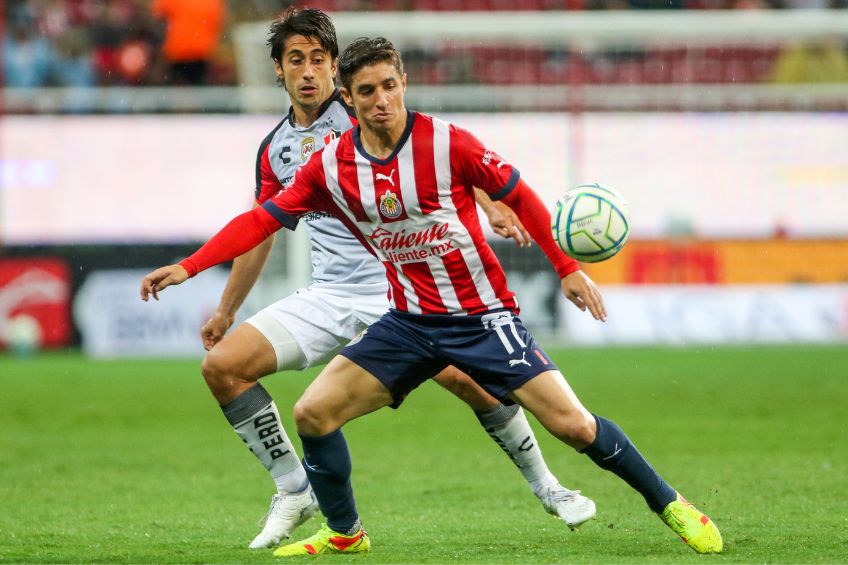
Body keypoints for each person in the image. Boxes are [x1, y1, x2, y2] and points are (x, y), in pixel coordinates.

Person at [141, 37, 722, 557]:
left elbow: (520, 195)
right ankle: (346, 533)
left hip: (480, 317)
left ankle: (672, 504)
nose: (380, 100)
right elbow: (260, 222)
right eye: (366, 91)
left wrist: (567, 267)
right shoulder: (329, 167)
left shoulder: (448, 143)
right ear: (350, 96)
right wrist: (190, 267)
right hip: (407, 322)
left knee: (572, 425)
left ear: (403, 84)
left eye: (389, 86)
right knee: (313, 413)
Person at [189, 8, 593, 550]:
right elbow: (263, 230)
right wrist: (225, 309)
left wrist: (489, 203)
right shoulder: (275, 149)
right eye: (295, 61)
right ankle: (293, 487)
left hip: (396, 287)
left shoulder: (361, 110)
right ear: (278, 73)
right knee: (222, 368)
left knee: (471, 382)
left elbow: (426, 157)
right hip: (327, 292)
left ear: (335, 69)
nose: (308, 72)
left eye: (318, 60)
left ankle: (549, 485)